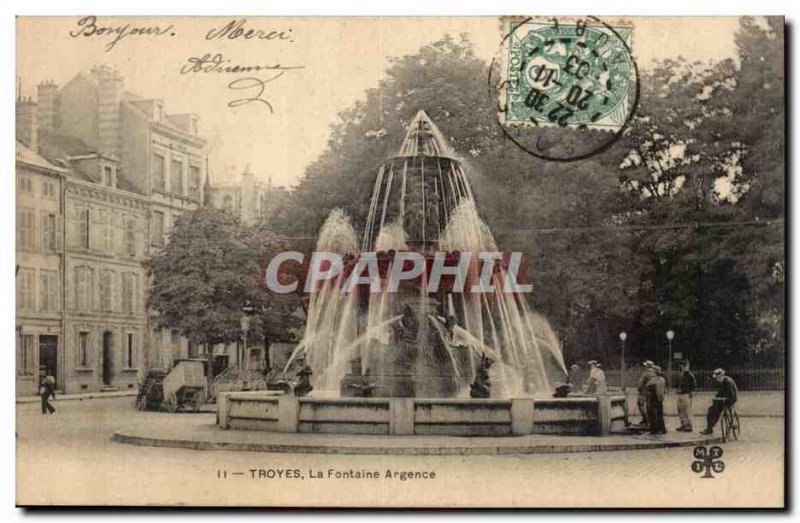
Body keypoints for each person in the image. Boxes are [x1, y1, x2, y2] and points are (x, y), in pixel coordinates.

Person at [700, 368, 739, 435]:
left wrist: (725, 399)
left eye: (718, 377)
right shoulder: (721, 382)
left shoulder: (728, 382)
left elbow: (731, 394)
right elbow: (720, 393)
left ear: (722, 376)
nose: (717, 379)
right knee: (711, 410)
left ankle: (732, 422)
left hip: (731, 399)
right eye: (716, 377)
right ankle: (709, 428)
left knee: (727, 408)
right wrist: (715, 398)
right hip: (723, 400)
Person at [645, 365, 667, 435]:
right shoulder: (662, 379)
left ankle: (654, 430)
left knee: (653, 415)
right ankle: (662, 429)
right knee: (660, 414)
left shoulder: (654, 380)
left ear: (655, 372)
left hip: (653, 399)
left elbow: (647, 387)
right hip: (660, 399)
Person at [676, 360, 697, 432]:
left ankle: (689, 425)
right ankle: (683, 424)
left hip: (686, 394)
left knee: (687, 411)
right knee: (680, 410)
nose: (683, 368)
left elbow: (694, 386)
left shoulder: (690, 375)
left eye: (685, 366)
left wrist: (691, 393)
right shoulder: (681, 375)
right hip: (681, 394)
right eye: (683, 366)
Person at [636, 361, 655, 426]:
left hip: (644, 391)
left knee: (640, 404)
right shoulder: (654, 373)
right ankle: (650, 420)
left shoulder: (645, 374)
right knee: (649, 406)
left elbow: (640, 383)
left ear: (647, 366)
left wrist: (639, 389)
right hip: (652, 392)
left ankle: (646, 419)